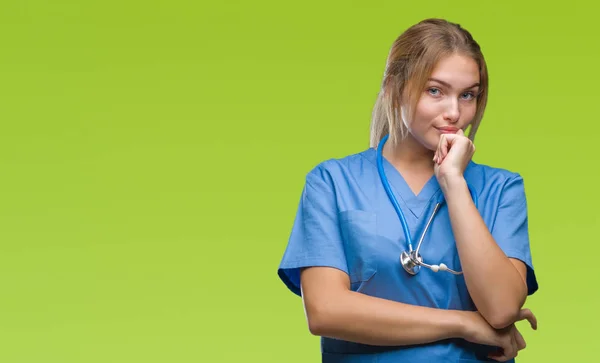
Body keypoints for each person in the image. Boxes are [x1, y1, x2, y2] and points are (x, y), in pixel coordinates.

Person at [277, 18, 539, 363]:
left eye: (468, 95)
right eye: (435, 91)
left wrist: (454, 184)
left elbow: (502, 308)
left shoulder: (500, 189)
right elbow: (326, 311)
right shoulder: (333, 182)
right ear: (394, 87)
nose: (454, 113)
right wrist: (463, 323)